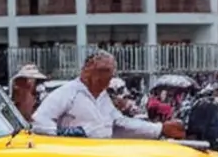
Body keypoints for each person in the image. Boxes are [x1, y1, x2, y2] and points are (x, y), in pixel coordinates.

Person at [31, 52, 181, 139]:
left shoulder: (103, 98)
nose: (107, 76)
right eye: (102, 70)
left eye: (110, 72)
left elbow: (120, 124)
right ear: (86, 70)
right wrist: (75, 134)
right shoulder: (67, 93)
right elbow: (39, 123)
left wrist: (159, 129)